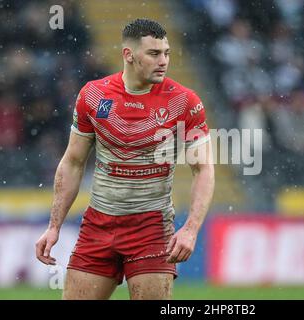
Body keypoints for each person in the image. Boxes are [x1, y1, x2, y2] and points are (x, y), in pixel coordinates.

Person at [35, 18, 215, 300]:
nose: (163, 61)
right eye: (154, 54)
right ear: (128, 55)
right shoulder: (93, 95)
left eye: (166, 53)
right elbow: (73, 162)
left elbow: (202, 169)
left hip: (152, 227)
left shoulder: (184, 102)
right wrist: (54, 226)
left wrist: (191, 229)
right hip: (98, 223)